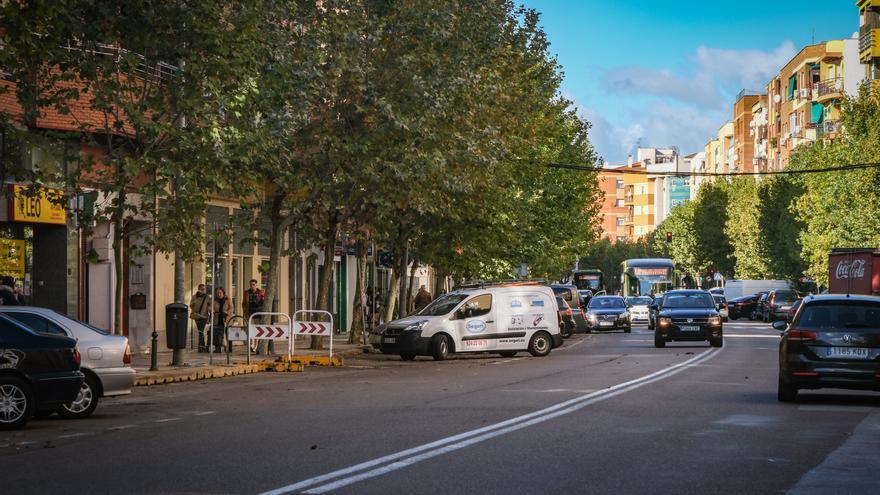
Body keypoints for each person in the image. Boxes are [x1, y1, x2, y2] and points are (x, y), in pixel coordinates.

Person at [189, 284, 210, 352]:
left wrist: (210, 311)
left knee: (201, 331)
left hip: (204, 316)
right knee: (200, 332)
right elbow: (191, 305)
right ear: (199, 289)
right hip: (197, 316)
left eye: (204, 289)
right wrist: (194, 303)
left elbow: (210, 305)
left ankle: (200, 347)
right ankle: (202, 347)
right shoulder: (194, 297)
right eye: (202, 289)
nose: (203, 290)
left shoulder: (207, 297)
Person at [212, 287, 233, 353]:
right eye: (217, 293)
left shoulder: (227, 299)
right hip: (217, 318)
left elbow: (232, 308)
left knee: (228, 334)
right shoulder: (214, 300)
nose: (219, 294)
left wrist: (227, 312)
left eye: (220, 293)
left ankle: (229, 349)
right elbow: (210, 307)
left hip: (226, 318)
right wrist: (211, 310)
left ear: (223, 293)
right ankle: (217, 349)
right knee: (218, 335)